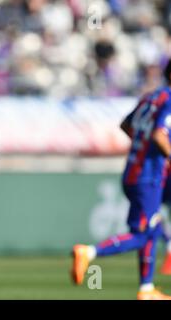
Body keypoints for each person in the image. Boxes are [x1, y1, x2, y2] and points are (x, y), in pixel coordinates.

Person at [71, 59, 171, 300]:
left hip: (134, 171)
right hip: (148, 177)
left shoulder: (152, 97)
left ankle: (146, 289)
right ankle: (89, 252)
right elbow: (159, 134)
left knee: (153, 226)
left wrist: (142, 147)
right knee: (141, 235)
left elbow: (126, 125)